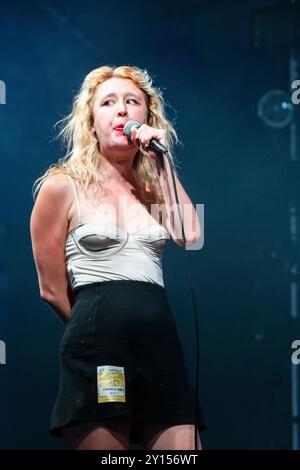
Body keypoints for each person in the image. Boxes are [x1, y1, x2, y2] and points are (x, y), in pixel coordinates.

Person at [30, 65, 206, 450]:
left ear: (147, 117)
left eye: (132, 102)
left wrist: (161, 163)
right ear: (91, 122)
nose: (122, 110)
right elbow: (50, 289)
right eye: (108, 102)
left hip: (160, 343)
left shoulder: (153, 187)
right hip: (97, 345)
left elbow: (191, 236)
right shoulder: (62, 186)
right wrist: (96, 330)